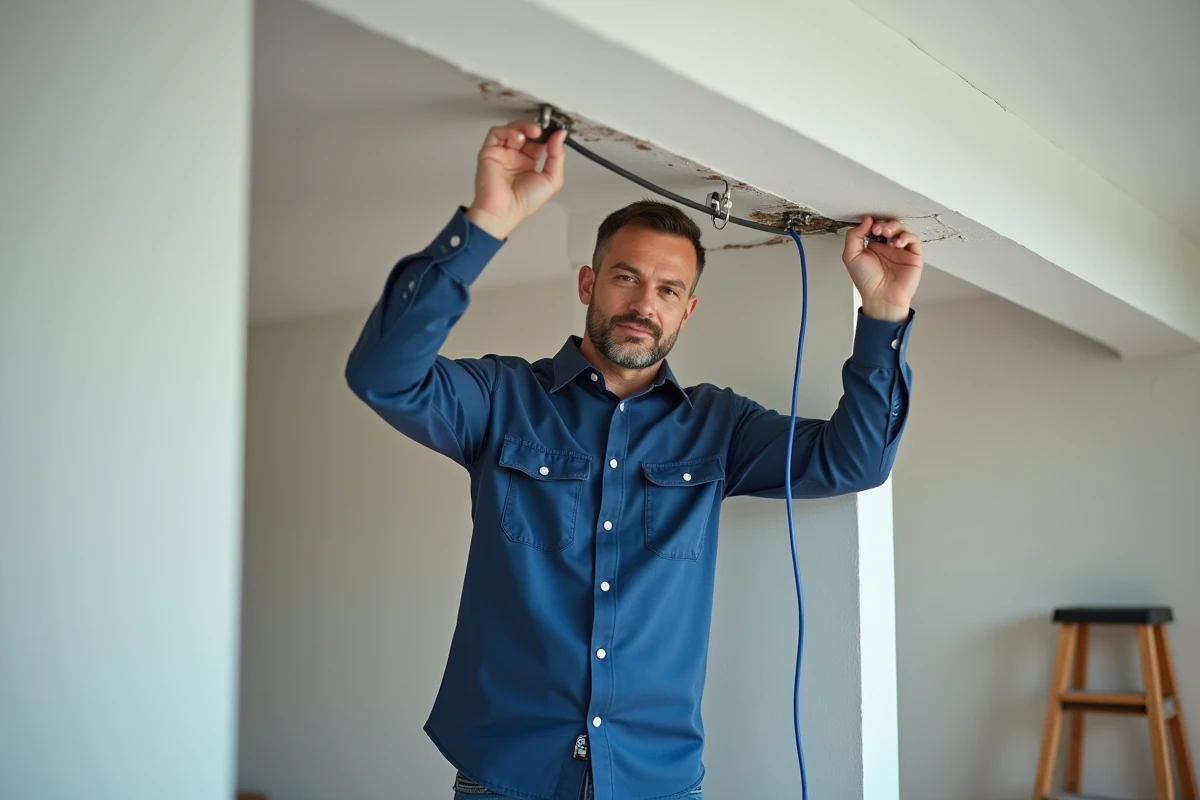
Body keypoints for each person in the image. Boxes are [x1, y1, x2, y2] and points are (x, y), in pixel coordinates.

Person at [344, 120, 922, 800]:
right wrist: (486, 224)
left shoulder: (720, 427)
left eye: (668, 290)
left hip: (657, 781)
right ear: (589, 283)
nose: (645, 304)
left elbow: (855, 462)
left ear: (688, 310)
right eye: (626, 278)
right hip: (510, 777)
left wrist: (883, 314)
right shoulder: (501, 398)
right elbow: (383, 374)